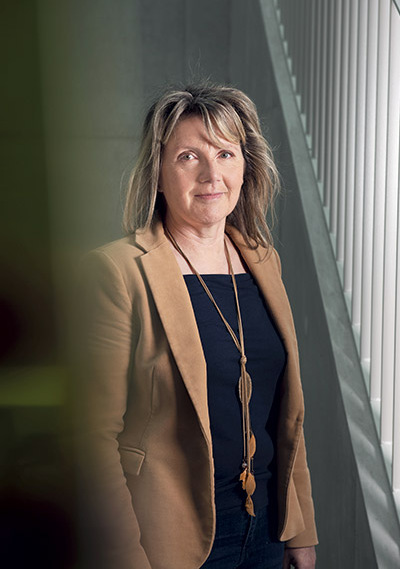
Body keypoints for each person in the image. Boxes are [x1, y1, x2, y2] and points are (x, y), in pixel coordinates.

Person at [74, 82, 318, 569]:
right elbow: (89, 438)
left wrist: (300, 529)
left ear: (245, 167)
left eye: (226, 153)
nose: (211, 174)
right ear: (159, 173)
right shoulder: (117, 272)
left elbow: (283, 413)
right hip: (168, 542)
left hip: (267, 529)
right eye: (189, 157)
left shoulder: (263, 261)